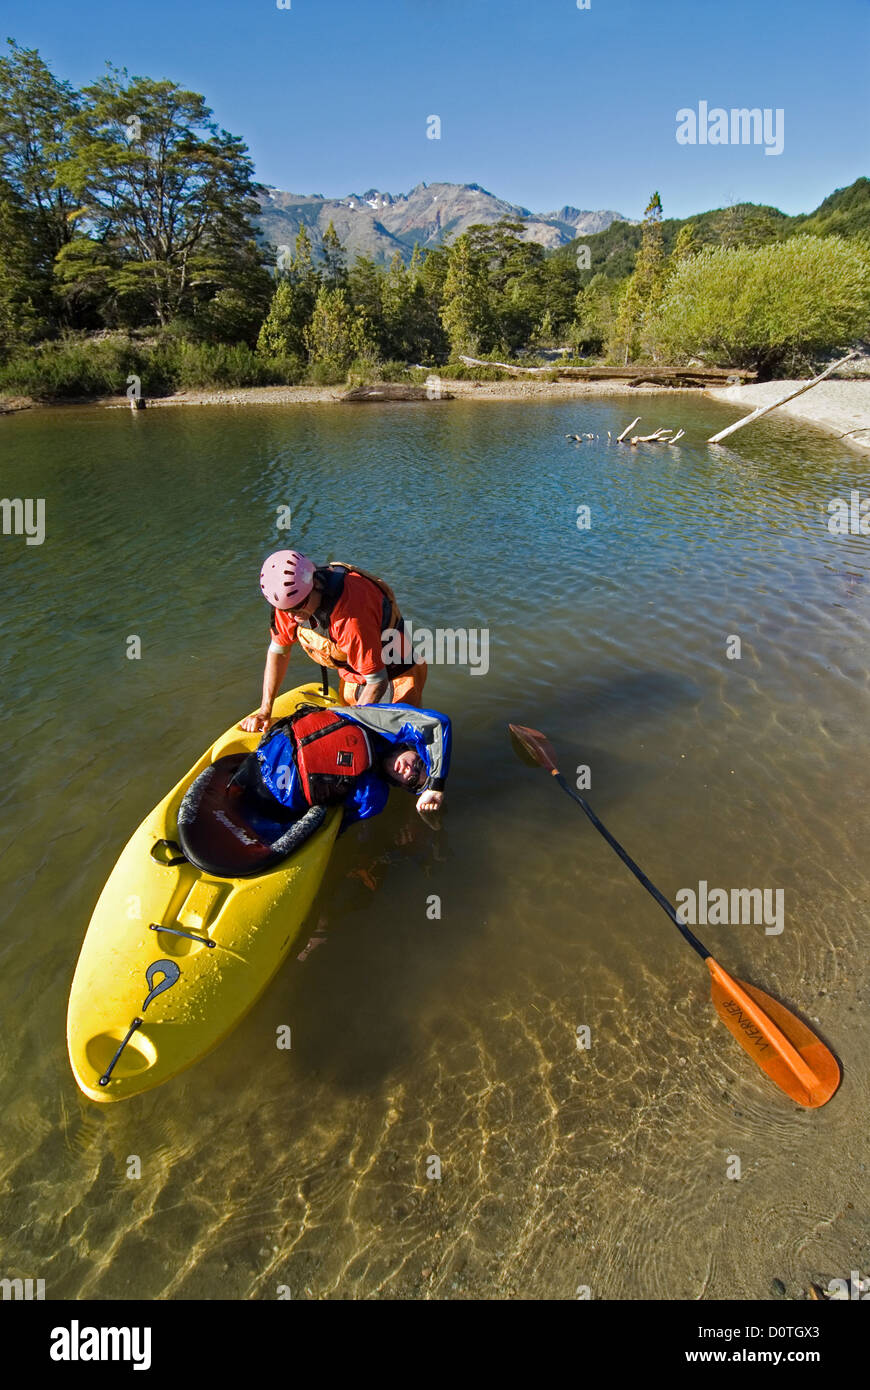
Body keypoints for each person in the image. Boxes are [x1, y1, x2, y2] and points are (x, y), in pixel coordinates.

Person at [239, 551, 427, 733]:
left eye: (297, 608)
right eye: (284, 609)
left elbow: (377, 681)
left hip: (394, 676)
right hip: (352, 675)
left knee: (396, 749)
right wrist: (265, 711)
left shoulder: (351, 617)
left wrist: (345, 732)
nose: (291, 616)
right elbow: (279, 652)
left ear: (315, 585)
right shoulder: (290, 601)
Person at [233, 699, 450, 830]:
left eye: (412, 778)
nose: (409, 769)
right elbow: (438, 723)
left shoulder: (374, 796)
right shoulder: (367, 721)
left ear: (401, 784)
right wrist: (436, 785)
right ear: (412, 749)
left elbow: (338, 825)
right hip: (253, 766)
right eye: (419, 763)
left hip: (273, 808)